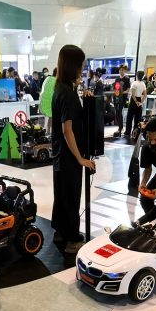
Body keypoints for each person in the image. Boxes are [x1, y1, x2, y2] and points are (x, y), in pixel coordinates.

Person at [50, 45, 96, 253]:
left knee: (62, 195)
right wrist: (80, 158)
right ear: (73, 66)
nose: (82, 69)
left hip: (60, 154)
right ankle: (72, 240)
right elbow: (67, 130)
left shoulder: (60, 89)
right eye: (81, 65)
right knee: (71, 198)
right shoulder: (67, 93)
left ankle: (60, 232)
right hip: (69, 157)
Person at [125, 70, 147, 140]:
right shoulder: (143, 84)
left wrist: (136, 101)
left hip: (133, 101)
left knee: (129, 117)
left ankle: (127, 133)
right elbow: (145, 95)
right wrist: (140, 102)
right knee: (137, 119)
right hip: (139, 100)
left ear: (137, 75)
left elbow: (133, 94)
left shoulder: (134, 83)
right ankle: (136, 133)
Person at [113, 64, 130, 138]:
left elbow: (128, 89)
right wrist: (116, 93)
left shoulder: (127, 78)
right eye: (120, 70)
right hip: (117, 97)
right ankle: (120, 127)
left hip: (123, 98)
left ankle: (120, 128)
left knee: (119, 111)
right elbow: (116, 89)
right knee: (117, 112)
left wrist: (122, 92)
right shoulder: (117, 79)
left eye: (122, 70)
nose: (121, 71)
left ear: (125, 70)